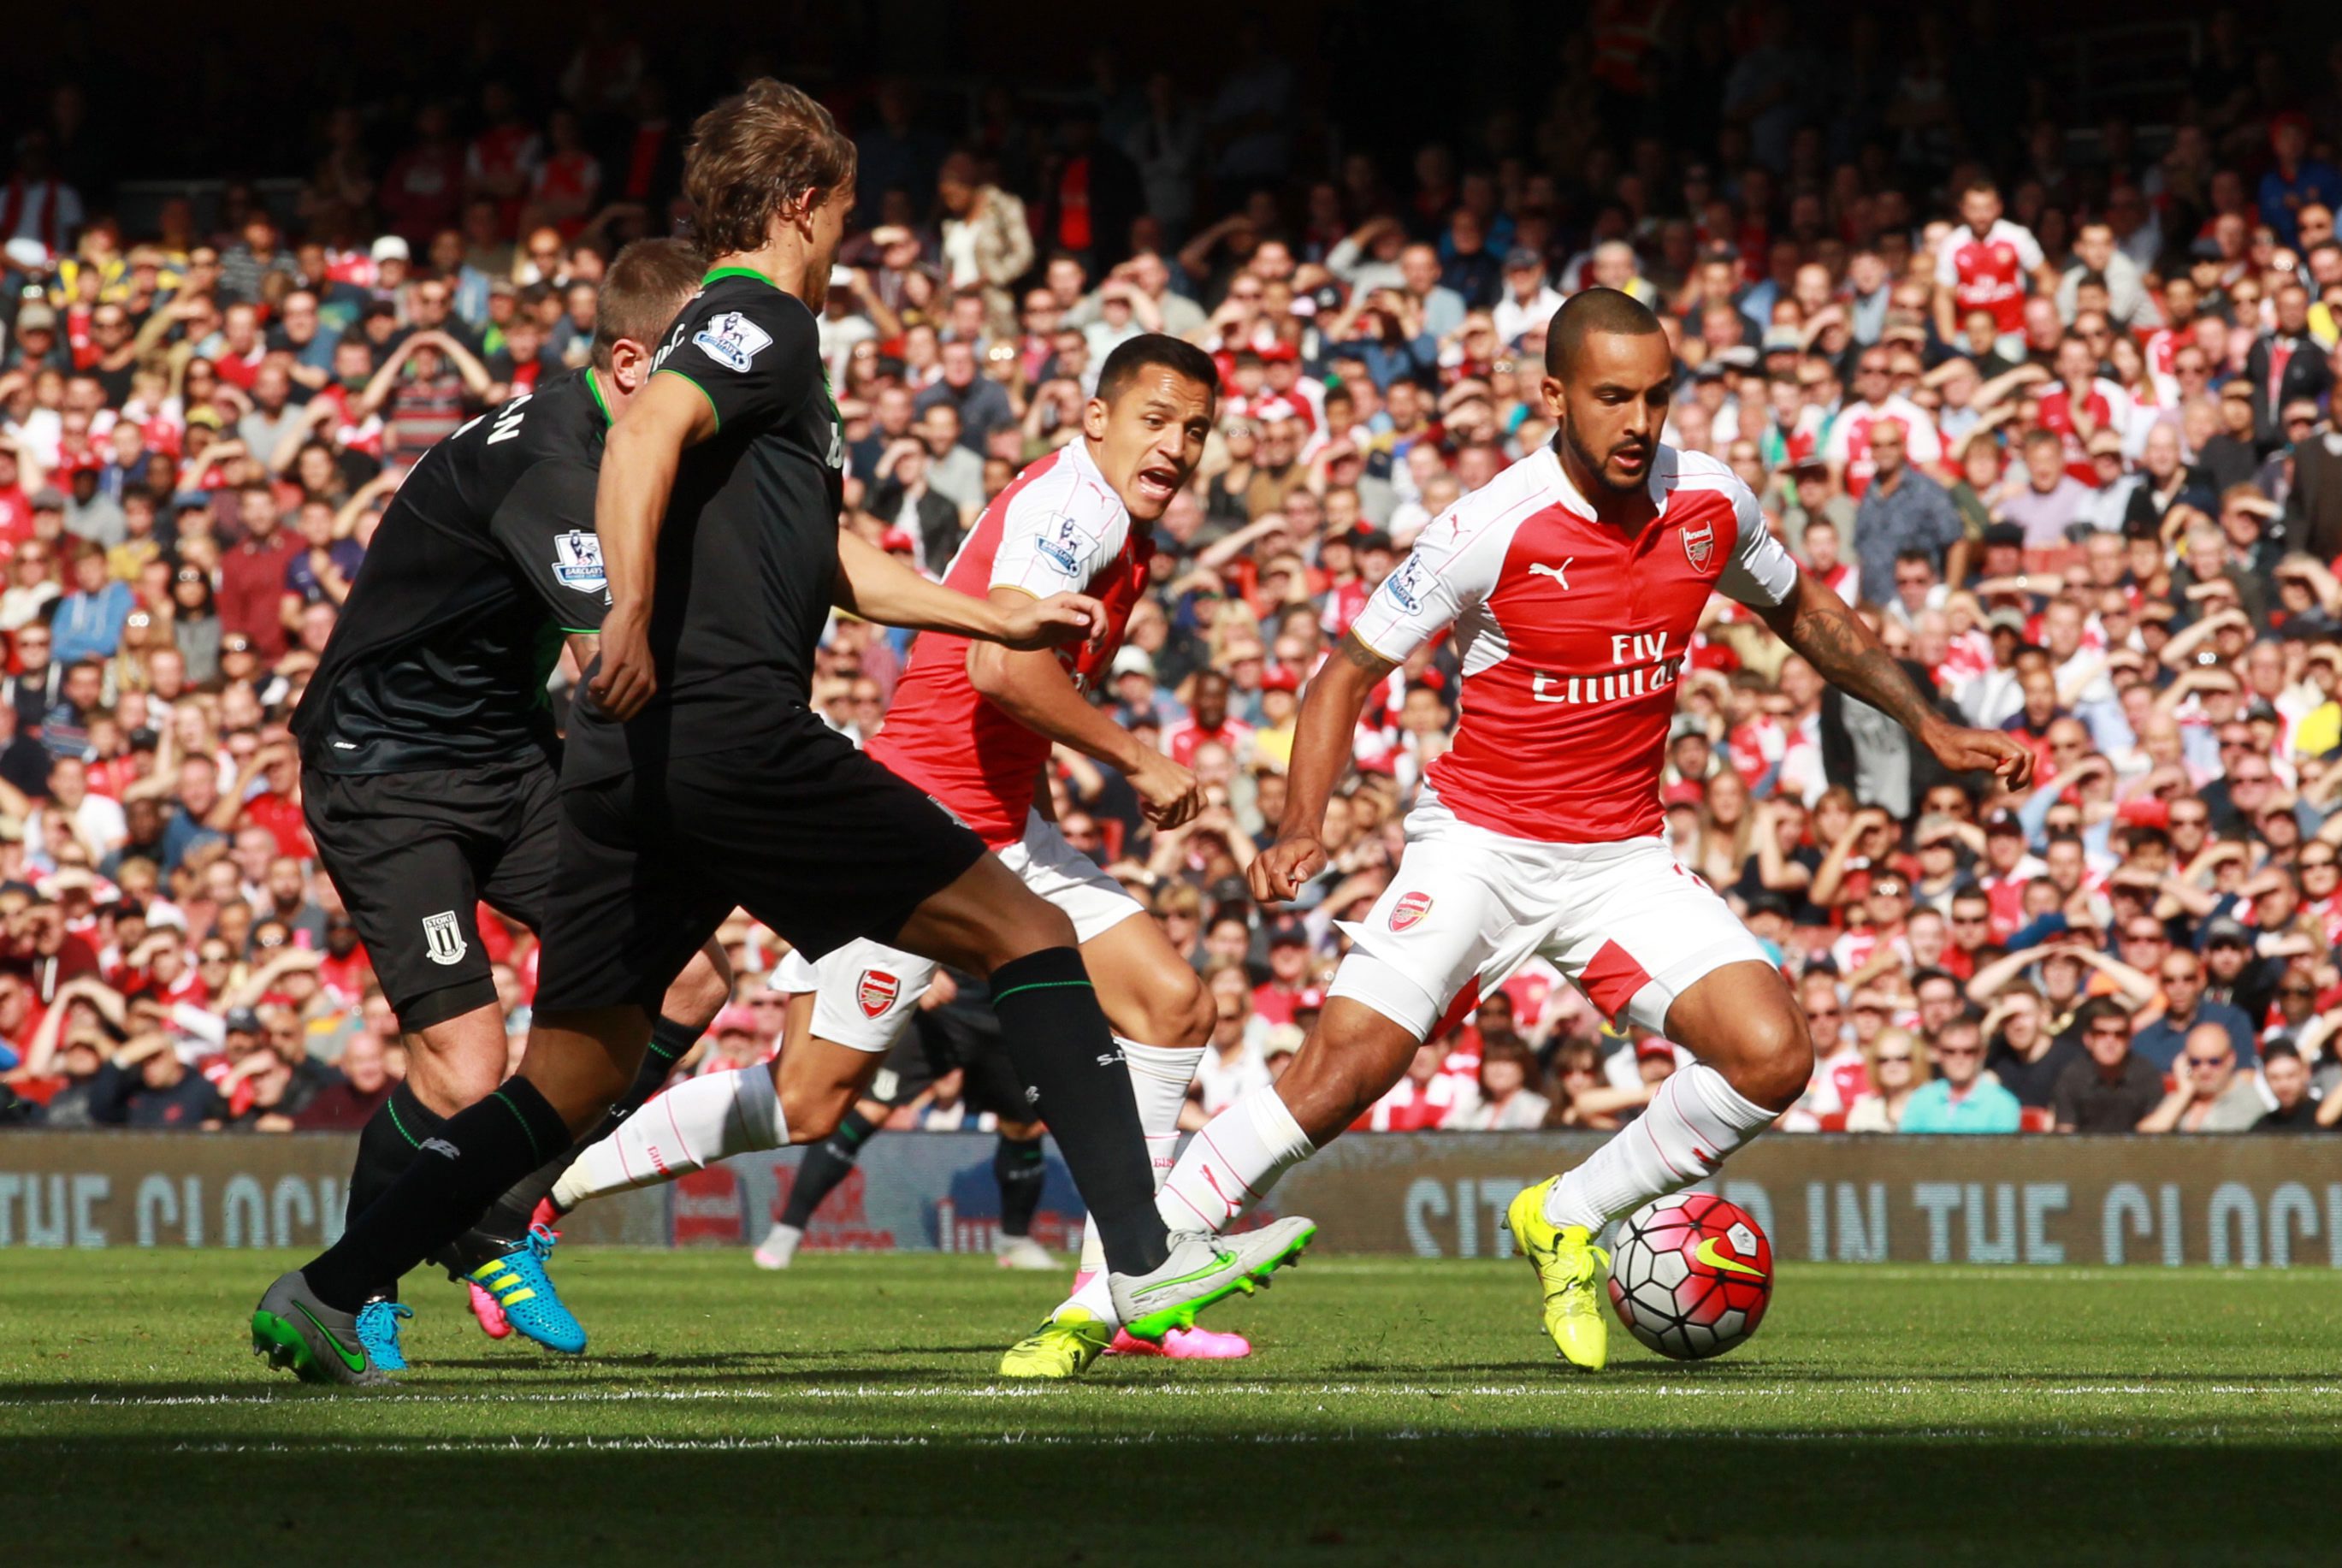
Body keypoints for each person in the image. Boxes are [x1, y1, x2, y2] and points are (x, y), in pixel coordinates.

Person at [253, 81, 1308, 1387]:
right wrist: (627, 611)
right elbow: (643, 433)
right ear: (803, 205)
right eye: (846, 213)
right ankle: (1143, 1261)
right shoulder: (761, 319)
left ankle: (329, 1285)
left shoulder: (736, 355)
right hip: (735, 734)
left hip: (627, 768)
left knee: (565, 1080)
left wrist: (987, 610)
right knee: (1029, 936)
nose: (847, 240)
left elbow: (827, 558)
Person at [1143, 288, 2032, 1372]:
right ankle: (1140, 1268)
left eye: (1657, 396)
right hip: (1479, 846)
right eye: (1613, 397)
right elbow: (1343, 674)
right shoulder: (1486, 525)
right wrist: (1299, 823)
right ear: (1553, 396)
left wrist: (1926, 723)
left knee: (1771, 1054)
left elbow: (1802, 610)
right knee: (1344, 1070)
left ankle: (1564, 1213)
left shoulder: (1708, 501)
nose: (1639, 422)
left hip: (1618, 862)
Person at [547, 334, 1257, 1378]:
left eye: (1193, 430)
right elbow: (1000, 670)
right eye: (1154, 420)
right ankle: (549, 1193)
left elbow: (1002, 696)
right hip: (917, 829)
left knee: (1171, 1005)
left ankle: (1123, 1290)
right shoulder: (1081, 509)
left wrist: (1040, 794)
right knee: (806, 1098)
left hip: (1001, 829)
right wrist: (1136, 758)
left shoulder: (1112, 522)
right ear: (1096, 418)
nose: (1175, 446)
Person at [282, 237, 733, 1370]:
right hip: (386, 772)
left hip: (506, 757)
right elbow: (612, 672)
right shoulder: (552, 467)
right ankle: (358, 1284)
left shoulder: (630, 447)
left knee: (686, 974)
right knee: (465, 1064)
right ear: (629, 363)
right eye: (704, 360)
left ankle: (497, 1215)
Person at [1895, 1018, 2020, 1132]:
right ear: (1939, 1053)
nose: (1959, 1059)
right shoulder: (1921, 1099)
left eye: (1968, 1051)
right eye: (1950, 1051)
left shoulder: (2002, 1104)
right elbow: (1906, 1147)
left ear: (1982, 1054)